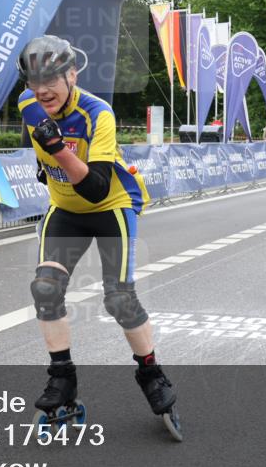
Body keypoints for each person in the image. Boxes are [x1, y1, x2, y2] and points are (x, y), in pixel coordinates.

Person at [17, 35, 177, 419]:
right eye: (34, 82)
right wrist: (47, 160)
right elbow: (37, 153)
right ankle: (62, 377)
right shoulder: (27, 104)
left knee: (119, 299)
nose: (41, 90)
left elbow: (95, 189)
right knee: (45, 288)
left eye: (50, 80)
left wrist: (58, 149)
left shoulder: (98, 113)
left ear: (71, 75)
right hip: (65, 209)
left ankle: (151, 374)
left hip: (110, 206)